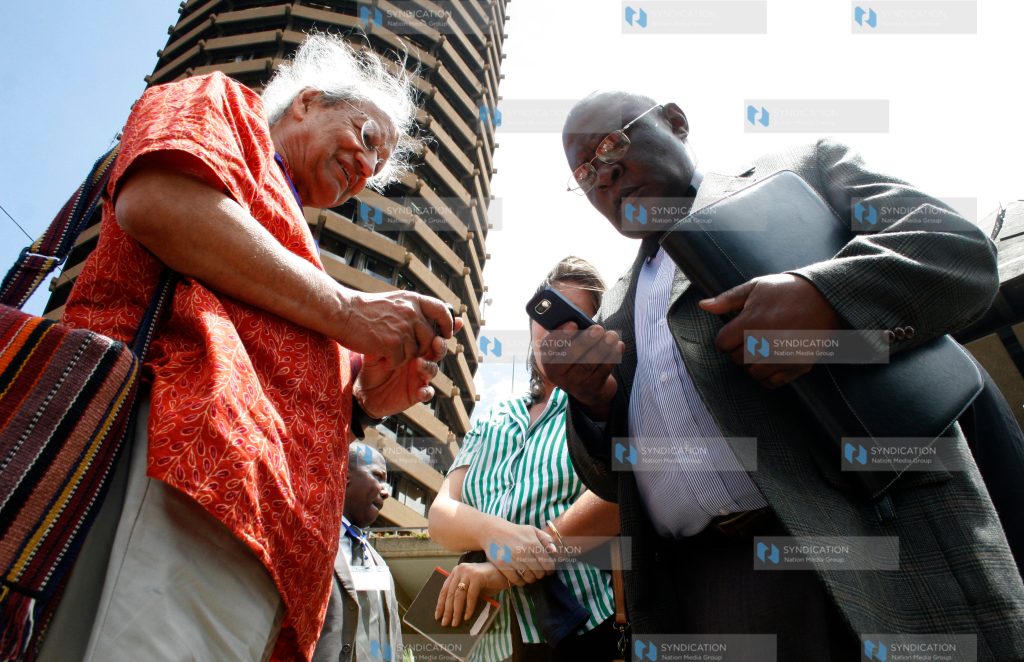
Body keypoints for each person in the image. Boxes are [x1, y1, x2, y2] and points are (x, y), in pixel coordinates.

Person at [540, 91, 1024, 659]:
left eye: (611, 144)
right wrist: (593, 407)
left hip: (873, 553)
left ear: (676, 121)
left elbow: (956, 250)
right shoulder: (615, 309)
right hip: (709, 595)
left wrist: (825, 299)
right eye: (585, 170)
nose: (605, 173)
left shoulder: (804, 171)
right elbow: (608, 480)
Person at [39, 35, 460, 661]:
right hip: (183, 473)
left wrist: (368, 397)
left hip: (272, 539)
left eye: (379, 167)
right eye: (367, 137)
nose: (368, 169)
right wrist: (346, 309)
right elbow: (156, 201)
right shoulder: (223, 102)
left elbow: (303, 379)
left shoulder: (297, 251)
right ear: (308, 103)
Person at [428, 256, 621, 662]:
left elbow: (619, 495)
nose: (559, 330)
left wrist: (509, 566)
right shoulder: (494, 414)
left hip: (586, 628)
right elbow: (441, 513)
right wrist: (493, 534)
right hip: (483, 642)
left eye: (577, 319)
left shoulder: (604, 404)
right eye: (549, 313)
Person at [313, 443, 402, 662]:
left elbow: (391, 635)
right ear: (344, 474)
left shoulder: (380, 565)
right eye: (378, 477)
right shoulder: (309, 540)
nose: (386, 491)